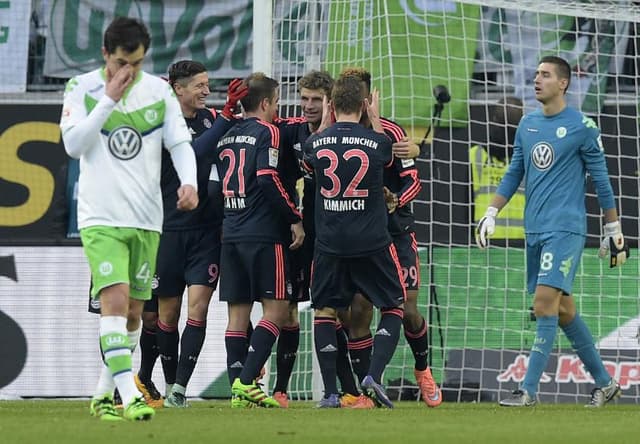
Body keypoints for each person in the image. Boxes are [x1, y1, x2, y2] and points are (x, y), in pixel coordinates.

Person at [60, 17, 198, 421]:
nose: (128, 71)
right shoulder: (81, 88)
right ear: (105, 54)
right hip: (100, 215)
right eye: (121, 62)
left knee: (136, 313)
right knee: (115, 303)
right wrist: (108, 99)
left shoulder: (158, 91)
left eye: (136, 63)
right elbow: (73, 145)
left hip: (147, 219)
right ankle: (128, 394)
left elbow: (179, 142)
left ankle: (103, 393)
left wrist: (189, 182)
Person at [476, 55, 629, 407]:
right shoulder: (527, 125)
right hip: (536, 229)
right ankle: (606, 384)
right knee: (563, 311)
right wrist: (490, 212)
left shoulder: (582, 125)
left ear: (563, 83)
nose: (537, 79)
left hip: (566, 228)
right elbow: (514, 172)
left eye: (545, 75)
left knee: (544, 304)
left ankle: (527, 391)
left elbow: (602, 180)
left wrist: (613, 226)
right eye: (536, 74)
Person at [339, 67, 442, 407]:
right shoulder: (341, 133)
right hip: (359, 236)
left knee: (407, 309)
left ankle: (423, 369)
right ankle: (370, 387)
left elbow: (414, 181)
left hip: (396, 234)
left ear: (369, 98)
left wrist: (397, 200)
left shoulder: (394, 133)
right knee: (358, 311)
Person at [303, 75, 405, 409]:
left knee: (325, 310)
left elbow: (309, 155)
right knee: (393, 305)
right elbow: (388, 155)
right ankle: (373, 375)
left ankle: (331, 393)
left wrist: (325, 127)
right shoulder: (377, 141)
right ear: (364, 106)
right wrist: (375, 120)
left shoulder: (315, 144)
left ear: (330, 106)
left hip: (330, 241)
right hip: (371, 240)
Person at [154, 61, 247, 408]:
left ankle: (179, 388)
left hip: (206, 232)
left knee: (199, 309)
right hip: (168, 230)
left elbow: (223, 141)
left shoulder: (210, 118)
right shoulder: (162, 122)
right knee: (167, 314)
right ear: (178, 88)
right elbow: (192, 152)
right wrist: (225, 116)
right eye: (199, 85)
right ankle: (166, 382)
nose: (206, 90)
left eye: (208, 84)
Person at [214, 72, 305, 408]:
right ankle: (245, 382)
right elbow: (268, 179)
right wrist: (294, 217)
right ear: (266, 103)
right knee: (277, 310)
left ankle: (238, 394)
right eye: (277, 102)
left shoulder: (227, 135)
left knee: (237, 316)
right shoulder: (267, 132)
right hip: (263, 234)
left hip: (231, 233)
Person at [273, 70, 361, 407]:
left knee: (335, 313)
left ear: (330, 102)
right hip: (298, 235)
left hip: (333, 238)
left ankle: (348, 389)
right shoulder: (288, 132)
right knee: (288, 311)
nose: (308, 105)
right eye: (303, 98)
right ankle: (281, 390)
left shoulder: (345, 135)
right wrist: (294, 219)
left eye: (315, 100)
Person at [470, 97, 525, 241]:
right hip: (522, 241)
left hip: (484, 236)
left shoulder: (475, 154)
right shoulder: (530, 157)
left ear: (493, 120)